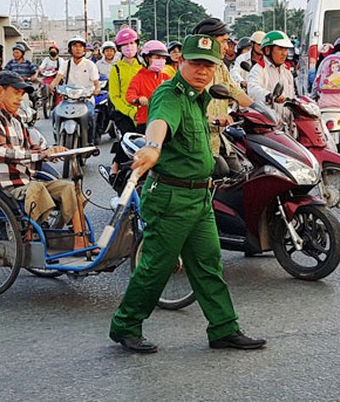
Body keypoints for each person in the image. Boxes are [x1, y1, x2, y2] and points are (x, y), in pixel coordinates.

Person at [109, 34, 266, 354]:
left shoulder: (200, 96)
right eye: (196, 63)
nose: (203, 71)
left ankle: (223, 328)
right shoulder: (169, 93)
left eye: (209, 65)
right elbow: (160, 123)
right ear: (180, 62)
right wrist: (152, 147)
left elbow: (193, 129)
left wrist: (221, 119)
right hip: (172, 197)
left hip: (199, 197)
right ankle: (125, 325)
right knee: (156, 267)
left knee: (209, 264)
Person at [0, 72, 87, 240]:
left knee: (70, 188)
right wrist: (39, 154)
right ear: (0, 91)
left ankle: (81, 241)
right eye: (15, 93)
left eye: (22, 94)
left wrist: (50, 152)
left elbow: (30, 148)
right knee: (37, 188)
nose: (20, 98)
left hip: (27, 181)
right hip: (5, 188)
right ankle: (27, 236)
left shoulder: (17, 120)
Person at [192, 18, 253, 157]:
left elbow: (236, 93)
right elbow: (190, 112)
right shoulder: (193, 73)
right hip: (199, 146)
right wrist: (213, 119)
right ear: (208, 43)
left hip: (220, 140)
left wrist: (260, 111)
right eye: (223, 41)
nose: (227, 47)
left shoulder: (221, 67)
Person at [56, 36, 101, 143]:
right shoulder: (65, 64)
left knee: (90, 115)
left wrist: (96, 90)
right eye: (75, 46)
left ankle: (90, 141)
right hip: (68, 100)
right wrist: (52, 86)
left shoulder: (90, 65)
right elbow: (57, 79)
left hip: (86, 100)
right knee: (55, 113)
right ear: (70, 49)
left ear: (84, 49)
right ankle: (57, 139)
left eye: (81, 46)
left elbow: (96, 83)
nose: (78, 48)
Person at [125, 40, 172, 130]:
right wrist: (139, 99)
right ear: (147, 58)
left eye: (163, 58)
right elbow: (129, 95)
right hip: (145, 121)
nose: (161, 60)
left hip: (164, 120)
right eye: (157, 57)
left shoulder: (166, 78)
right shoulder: (139, 78)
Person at [108, 28, 143, 137]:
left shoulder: (144, 67)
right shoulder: (116, 69)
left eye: (132, 43)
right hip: (123, 114)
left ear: (137, 45)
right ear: (120, 48)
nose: (129, 47)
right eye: (125, 44)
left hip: (144, 113)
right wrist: (129, 111)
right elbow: (114, 96)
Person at [246, 30, 297, 106]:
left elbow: (292, 95)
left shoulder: (286, 70)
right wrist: (269, 96)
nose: (284, 53)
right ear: (267, 50)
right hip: (269, 116)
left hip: (288, 117)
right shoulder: (258, 69)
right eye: (280, 49)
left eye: (286, 49)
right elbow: (253, 89)